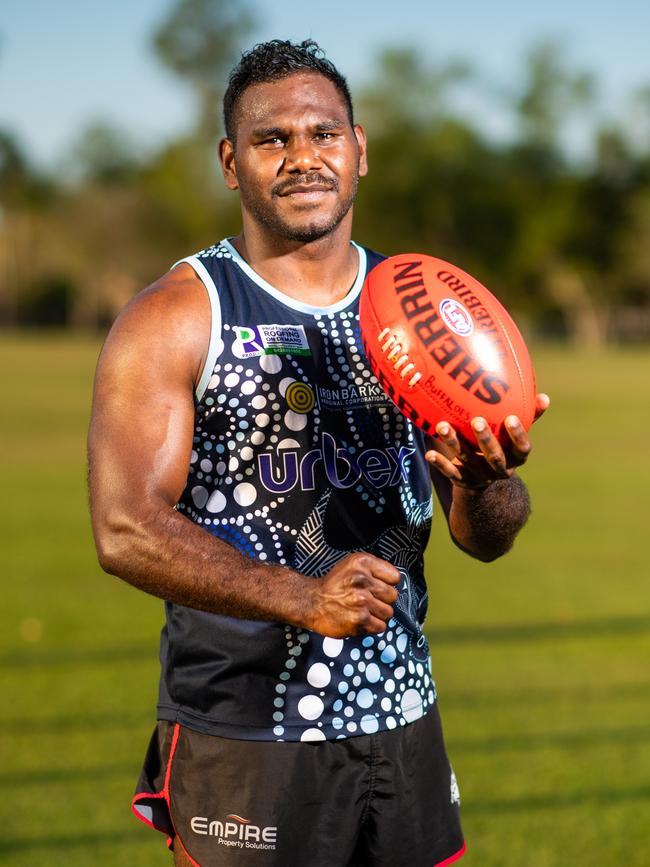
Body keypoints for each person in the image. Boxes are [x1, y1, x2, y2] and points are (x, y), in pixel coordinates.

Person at [88, 39, 548, 867]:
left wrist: (487, 485)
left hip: (402, 714)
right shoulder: (178, 316)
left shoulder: (419, 313)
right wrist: (301, 597)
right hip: (247, 731)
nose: (303, 157)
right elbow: (124, 528)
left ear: (359, 148)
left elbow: (486, 536)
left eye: (323, 134)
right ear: (232, 162)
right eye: (273, 140)